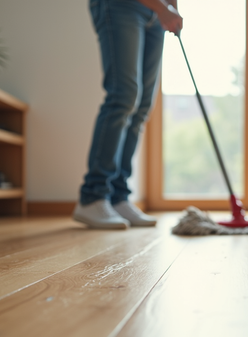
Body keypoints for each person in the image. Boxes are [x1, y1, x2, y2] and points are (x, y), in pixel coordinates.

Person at [73, 0, 182, 229]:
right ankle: (93, 196)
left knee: (142, 106)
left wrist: (171, 7)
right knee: (123, 97)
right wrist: (164, 9)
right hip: (121, 5)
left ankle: (118, 197)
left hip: (156, 12)